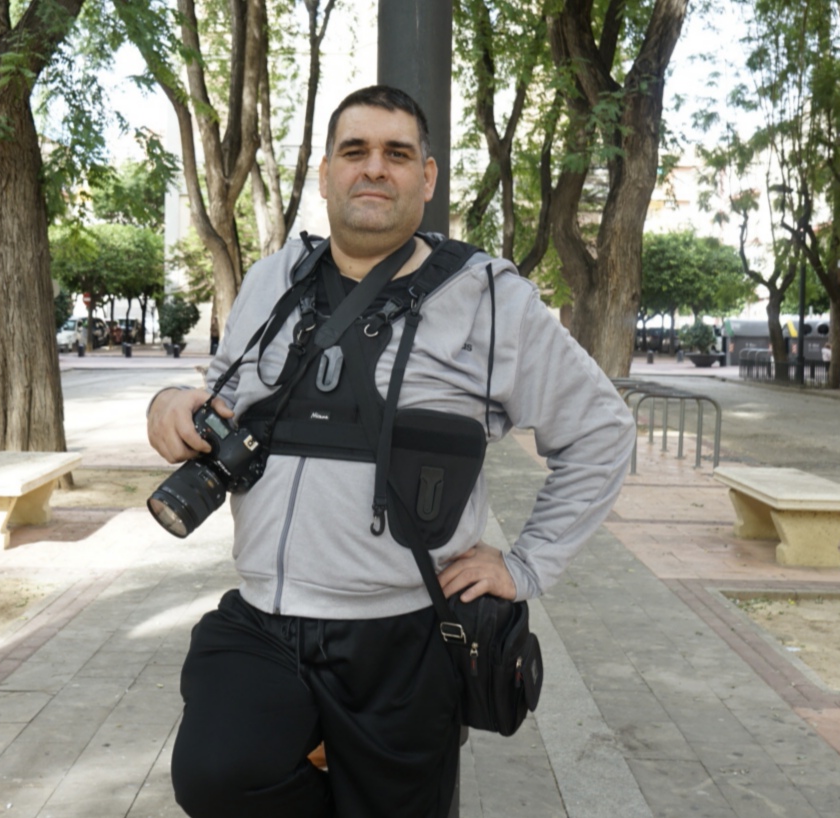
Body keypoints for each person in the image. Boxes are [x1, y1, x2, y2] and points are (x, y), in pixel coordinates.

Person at [147, 85, 635, 818]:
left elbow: (601, 431)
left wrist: (526, 562)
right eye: (355, 151)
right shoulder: (269, 280)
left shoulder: (489, 296)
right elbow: (220, 390)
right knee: (216, 777)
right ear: (326, 173)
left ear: (427, 178)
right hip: (263, 620)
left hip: (405, 636)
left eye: (396, 154)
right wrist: (168, 407)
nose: (374, 169)